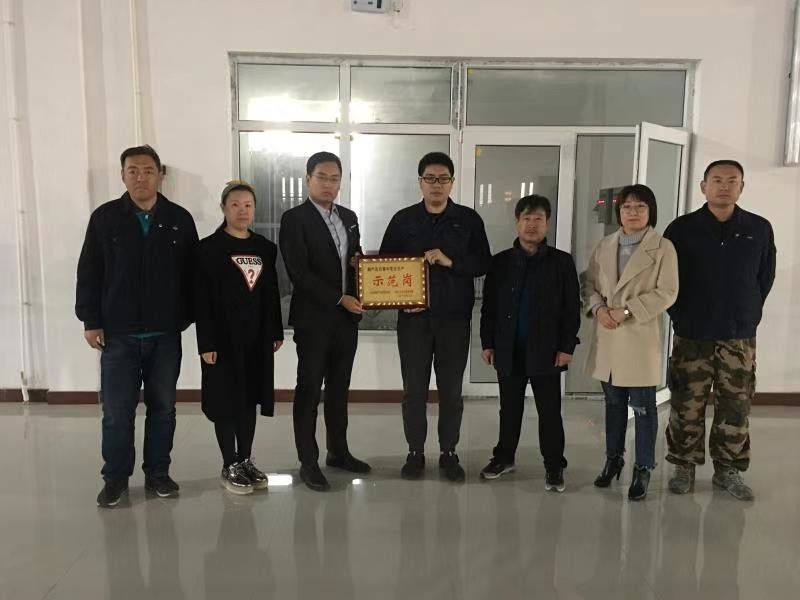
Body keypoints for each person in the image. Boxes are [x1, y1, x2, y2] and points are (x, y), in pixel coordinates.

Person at [76, 145, 198, 507]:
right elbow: (89, 272)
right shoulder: (105, 218)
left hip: (165, 335)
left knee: (164, 408)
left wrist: (184, 317)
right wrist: (91, 320)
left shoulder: (178, 219)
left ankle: (158, 474)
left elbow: (192, 275)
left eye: (147, 170)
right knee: (117, 413)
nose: (140, 177)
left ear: (160, 174)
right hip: (119, 335)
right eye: (133, 171)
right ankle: (115, 478)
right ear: (122, 175)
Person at [664, 160, 775, 501]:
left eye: (732, 180)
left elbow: (764, 277)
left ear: (741, 187)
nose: (724, 186)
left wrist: (747, 312)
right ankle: (684, 465)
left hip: (738, 335)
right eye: (716, 180)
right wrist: (681, 314)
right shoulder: (681, 229)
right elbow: (666, 280)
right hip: (692, 333)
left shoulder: (758, 228)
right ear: (703, 186)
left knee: (736, 406)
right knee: (686, 403)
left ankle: (728, 470)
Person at [379, 152, 491, 482]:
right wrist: (401, 301)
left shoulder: (468, 220)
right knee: (413, 391)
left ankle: (448, 453)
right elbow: (385, 266)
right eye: (430, 178)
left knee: (451, 392)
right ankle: (415, 452)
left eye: (443, 179)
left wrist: (451, 261)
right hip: (413, 321)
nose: (436, 185)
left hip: (454, 320)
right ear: (420, 182)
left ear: (452, 183)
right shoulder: (403, 220)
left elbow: (483, 263)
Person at [278, 151, 370, 492]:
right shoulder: (294, 219)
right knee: (309, 389)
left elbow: (353, 258)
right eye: (322, 177)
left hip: (346, 320)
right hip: (314, 319)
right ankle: (308, 461)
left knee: (339, 388)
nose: (328, 184)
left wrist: (362, 270)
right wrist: (338, 297)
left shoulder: (349, 217)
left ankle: (338, 452)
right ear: (308, 179)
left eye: (334, 178)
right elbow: (298, 272)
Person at [581, 184, 678, 500]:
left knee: (643, 408)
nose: (633, 212)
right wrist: (599, 309)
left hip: (638, 336)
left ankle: (643, 467)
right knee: (613, 405)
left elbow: (667, 291)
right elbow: (589, 283)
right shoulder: (605, 245)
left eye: (640, 207)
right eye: (626, 207)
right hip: (608, 334)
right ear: (618, 212)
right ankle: (613, 459)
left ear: (651, 212)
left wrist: (626, 311)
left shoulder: (662, 248)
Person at [479, 194, 580, 492]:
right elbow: (489, 307)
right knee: (509, 409)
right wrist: (487, 343)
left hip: (547, 351)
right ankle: (504, 458)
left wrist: (567, 347)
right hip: (509, 349)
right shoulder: (500, 262)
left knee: (549, 412)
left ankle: (554, 465)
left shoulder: (561, 262)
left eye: (538, 219)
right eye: (526, 218)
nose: (532, 225)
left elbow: (571, 309)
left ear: (547, 223)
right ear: (517, 222)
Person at [195, 180, 283, 495]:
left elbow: (271, 293)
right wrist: (206, 342)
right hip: (222, 340)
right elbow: (201, 300)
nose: (242, 211)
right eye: (235, 204)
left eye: (248, 205)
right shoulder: (207, 249)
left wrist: (275, 330)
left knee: (249, 399)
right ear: (223, 208)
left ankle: (245, 459)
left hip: (256, 339)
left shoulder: (265, 248)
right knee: (225, 401)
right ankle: (229, 463)